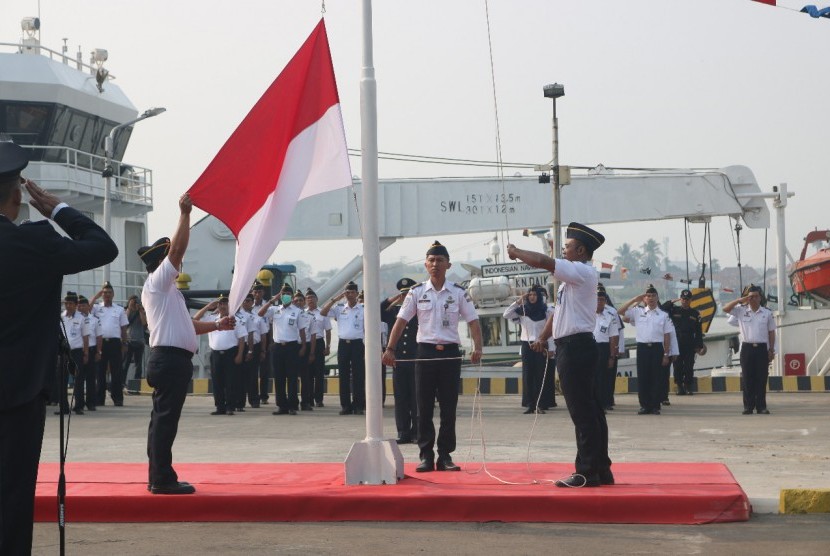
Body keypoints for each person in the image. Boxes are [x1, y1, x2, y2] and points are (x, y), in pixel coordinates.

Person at [0, 141, 117, 554]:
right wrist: (58, 210)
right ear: (18, 194)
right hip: (19, 390)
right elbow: (103, 246)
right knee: (12, 495)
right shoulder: (34, 243)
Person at [139, 193, 235, 495]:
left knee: (162, 421)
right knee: (165, 422)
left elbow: (188, 326)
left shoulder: (168, 293)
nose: (176, 264)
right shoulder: (158, 282)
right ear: (159, 263)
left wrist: (217, 325)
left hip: (170, 359)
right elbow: (178, 249)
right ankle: (161, 479)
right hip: (168, 359)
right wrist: (184, 214)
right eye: (168, 259)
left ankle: (159, 475)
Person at [507, 222, 612, 488]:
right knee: (591, 410)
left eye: (566, 246)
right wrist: (543, 337)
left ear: (579, 250)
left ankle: (586, 471)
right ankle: (600, 467)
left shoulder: (580, 271)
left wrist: (517, 251)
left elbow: (543, 261)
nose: (563, 250)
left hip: (576, 348)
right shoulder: (574, 279)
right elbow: (558, 313)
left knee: (582, 412)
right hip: (574, 345)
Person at [383, 241, 483, 473]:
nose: (435, 264)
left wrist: (478, 347)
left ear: (448, 264)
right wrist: (390, 348)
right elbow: (401, 321)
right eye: (431, 260)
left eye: (440, 260)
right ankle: (426, 456)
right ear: (426, 265)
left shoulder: (458, 293)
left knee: (449, 407)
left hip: (449, 354)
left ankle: (445, 456)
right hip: (425, 353)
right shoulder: (417, 292)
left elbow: (473, 320)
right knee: (423, 407)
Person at [618, 285, 673, 416]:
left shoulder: (663, 315)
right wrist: (634, 300)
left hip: (657, 348)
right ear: (645, 299)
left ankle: (655, 406)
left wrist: (666, 354)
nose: (651, 298)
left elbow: (667, 336)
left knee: (656, 377)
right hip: (642, 348)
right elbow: (620, 311)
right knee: (643, 378)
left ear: (658, 298)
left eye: (654, 296)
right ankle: (644, 405)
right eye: (648, 296)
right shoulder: (638, 312)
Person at [723, 285, 776, 415]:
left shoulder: (767, 313)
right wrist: (740, 300)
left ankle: (761, 407)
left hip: (762, 348)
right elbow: (725, 308)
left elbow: (771, 332)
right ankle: (748, 406)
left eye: (756, 296)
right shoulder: (741, 311)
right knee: (747, 378)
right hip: (747, 348)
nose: (753, 299)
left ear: (760, 298)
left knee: (761, 378)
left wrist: (771, 350)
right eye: (751, 296)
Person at [503, 285, 554, 414]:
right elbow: (506, 314)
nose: (532, 297)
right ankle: (530, 404)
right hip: (526, 344)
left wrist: (552, 348)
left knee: (540, 374)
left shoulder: (546, 310)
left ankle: (540, 404)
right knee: (528, 375)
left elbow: (551, 331)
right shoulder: (523, 310)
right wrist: (519, 301)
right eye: (530, 294)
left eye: (534, 295)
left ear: (539, 296)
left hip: (540, 344)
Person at [381, 278, 419, 444]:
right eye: (403, 294)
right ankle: (403, 432)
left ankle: (417, 432)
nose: (405, 297)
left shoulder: (420, 310)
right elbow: (375, 310)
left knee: (416, 399)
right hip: (399, 360)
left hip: (416, 359)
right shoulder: (392, 311)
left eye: (408, 293)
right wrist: (393, 299)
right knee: (401, 398)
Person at [258, 283, 306, 415]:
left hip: (292, 346)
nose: (286, 296)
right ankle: (281, 406)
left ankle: (292, 405)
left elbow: (302, 330)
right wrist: (272, 300)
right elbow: (260, 313)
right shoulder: (274, 309)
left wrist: (303, 346)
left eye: (288, 294)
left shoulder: (297, 311)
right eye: (283, 294)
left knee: (292, 377)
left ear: (292, 296)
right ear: (280, 295)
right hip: (278, 347)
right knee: (279, 378)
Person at [194, 295, 246, 416]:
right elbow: (195, 319)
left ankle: (230, 407)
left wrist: (239, 355)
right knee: (217, 382)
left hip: (230, 353)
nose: (222, 306)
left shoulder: (235, 319)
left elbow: (242, 339)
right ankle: (220, 407)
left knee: (230, 381)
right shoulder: (212, 318)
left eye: (225, 303)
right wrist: (208, 307)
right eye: (220, 304)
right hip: (216, 354)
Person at [321, 282, 366, 415]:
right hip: (343, 345)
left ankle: (358, 405)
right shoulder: (340, 308)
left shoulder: (363, 308)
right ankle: (345, 406)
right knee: (344, 376)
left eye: (352, 292)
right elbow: (323, 312)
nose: (350, 295)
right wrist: (336, 298)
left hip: (358, 344)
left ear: (357, 294)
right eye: (347, 292)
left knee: (358, 376)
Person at [91, 282, 129, 406]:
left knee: (116, 372)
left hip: (114, 343)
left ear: (113, 294)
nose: (107, 295)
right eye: (104, 292)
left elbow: (123, 328)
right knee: (100, 372)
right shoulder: (97, 308)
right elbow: (87, 309)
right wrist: (96, 297)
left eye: (109, 292)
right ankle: (99, 399)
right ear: (102, 294)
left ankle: (117, 398)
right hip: (100, 343)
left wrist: (124, 343)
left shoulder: (119, 309)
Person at [660, 289, 705, 396]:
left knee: (689, 365)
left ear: (691, 300)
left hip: (690, 342)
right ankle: (679, 386)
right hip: (676, 341)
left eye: (687, 299)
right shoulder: (674, 310)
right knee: (678, 365)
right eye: (683, 299)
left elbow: (698, 331)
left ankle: (688, 386)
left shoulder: (695, 313)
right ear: (681, 299)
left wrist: (699, 345)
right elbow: (661, 308)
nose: (685, 301)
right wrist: (672, 301)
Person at [56, 291, 90, 416]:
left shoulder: (82, 318)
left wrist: (86, 353)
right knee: (62, 380)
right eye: (66, 303)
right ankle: (63, 406)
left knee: (78, 380)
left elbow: (85, 337)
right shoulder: (61, 317)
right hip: (63, 352)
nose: (68, 306)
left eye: (71, 303)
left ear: (76, 304)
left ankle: (79, 406)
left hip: (76, 352)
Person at [593, 284, 620, 412]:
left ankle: (603, 404)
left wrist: (612, 356)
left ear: (605, 301)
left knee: (603, 378)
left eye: (602, 299)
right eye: (597, 299)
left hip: (603, 349)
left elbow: (614, 337)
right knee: (590, 378)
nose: (599, 302)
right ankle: (592, 404)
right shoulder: (586, 313)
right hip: (589, 348)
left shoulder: (610, 315)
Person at [305, 288, 331, 408]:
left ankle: (319, 399)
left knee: (319, 373)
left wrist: (328, 346)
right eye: (308, 298)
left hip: (319, 343)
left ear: (316, 299)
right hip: (307, 344)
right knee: (307, 373)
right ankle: (308, 399)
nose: (310, 300)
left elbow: (328, 330)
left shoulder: (322, 313)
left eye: (312, 297)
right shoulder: (303, 313)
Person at [78, 295, 102, 411]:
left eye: (84, 305)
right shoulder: (75, 319)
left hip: (92, 350)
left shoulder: (95, 320)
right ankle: (79, 403)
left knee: (91, 378)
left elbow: (99, 337)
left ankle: (91, 402)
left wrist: (98, 351)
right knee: (79, 378)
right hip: (79, 351)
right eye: (80, 305)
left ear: (89, 306)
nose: (82, 307)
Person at [123, 294, 148, 388]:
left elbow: (144, 323)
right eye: (133, 302)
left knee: (138, 364)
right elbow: (125, 321)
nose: (135, 304)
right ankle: (122, 382)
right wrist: (130, 308)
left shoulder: (141, 312)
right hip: (129, 341)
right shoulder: (126, 311)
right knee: (126, 363)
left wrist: (141, 310)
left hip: (139, 341)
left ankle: (137, 383)